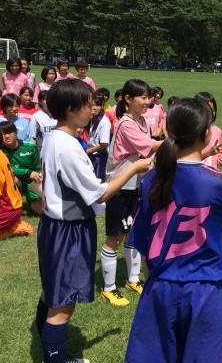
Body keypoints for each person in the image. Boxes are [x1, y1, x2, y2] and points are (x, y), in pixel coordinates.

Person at [124, 98, 222, 363]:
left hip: (160, 289)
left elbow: (144, 244)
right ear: (206, 134)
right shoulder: (220, 185)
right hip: (209, 294)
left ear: (168, 133)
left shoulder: (152, 180)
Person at [35, 79, 152, 363]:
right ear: (72, 109)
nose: (94, 109)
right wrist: (134, 167)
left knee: (51, 292)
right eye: (88, 104)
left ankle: (48, 347)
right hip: (68, 231)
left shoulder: (54, 137)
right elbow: (99, 195)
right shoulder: (68, 147)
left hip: (53, 227)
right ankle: (56, 359)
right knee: (63, 305)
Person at [100, 79, 161, 306]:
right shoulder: (126, 124)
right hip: (119, 187)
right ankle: (108, 287)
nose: (148, 101)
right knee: (114, 238)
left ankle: (132, 279)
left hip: (135, 185)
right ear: (128, 99)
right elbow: (151, 146)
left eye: (149, 97)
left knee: (132, 234)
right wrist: (178, 141)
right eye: (143, 97)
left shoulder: (143, 121)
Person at [0, 120, 43, 216]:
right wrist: (27, 172)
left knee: (42, 211)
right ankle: (11, 202)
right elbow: (6, 168)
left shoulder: (31, 147)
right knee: (10, 177)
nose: (7, 136)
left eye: (9, 132)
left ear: (16, 133)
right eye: (3, 134)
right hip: (16, 180)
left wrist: (40, 185)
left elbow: (40, 168)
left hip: (33, 182)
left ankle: (33, 201)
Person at [196, 91, 222, 168]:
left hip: (212, 176)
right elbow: (188, 160)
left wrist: (221, 159)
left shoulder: (218, 131)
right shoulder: (191, 132)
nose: (210, 113)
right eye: (206, 109)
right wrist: (208, 153)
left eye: (212, 109)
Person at [85, 94, 111, 182]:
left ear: (102, 106)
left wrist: (89, 151)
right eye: (92, 105)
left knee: (98, 182)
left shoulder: (104, 122)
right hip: (92, 155)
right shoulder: (92, 120)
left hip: (100, 157)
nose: (95, 108)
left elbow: (104, 144)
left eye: (98, 105)